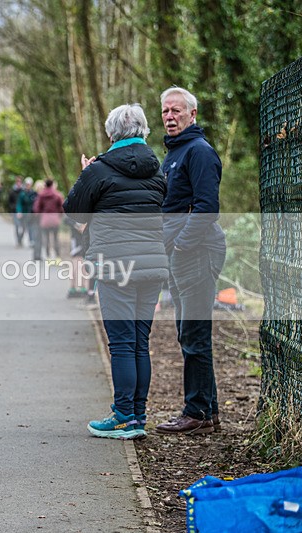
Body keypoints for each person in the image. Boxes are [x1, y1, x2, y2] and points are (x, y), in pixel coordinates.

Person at [65, 104, 168, 439]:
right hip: (152, 265)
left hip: (115, 267)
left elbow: (74, 212)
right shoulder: (158, 170)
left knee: (122, 343)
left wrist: (85, 172)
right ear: (144, 132)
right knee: (140, 341)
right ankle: (137, 415)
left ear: (111, 134)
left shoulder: (98, 170)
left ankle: (123, 414)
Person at [155, 87, 227, 436]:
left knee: (194, 333)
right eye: (166, 111)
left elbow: (206, 207)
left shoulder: (198, 151)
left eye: (177, 111)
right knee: (189, 331)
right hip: (180, 253)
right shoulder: (174, 153)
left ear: (192, 114)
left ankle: (195, 410)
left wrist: (182, 245)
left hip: (197, 252)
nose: (170, 116)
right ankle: (207, 411)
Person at [34, 179, 64, 258]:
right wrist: (60, 216)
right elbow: (62, 208)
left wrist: (39, 216)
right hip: (55, 218)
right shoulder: (57, 195)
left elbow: (37, 208)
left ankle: (48, 256)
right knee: (55, 238)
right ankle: (57, 256)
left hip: (45, 219)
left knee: (46, 238)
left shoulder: (41, 195)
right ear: (52, 184)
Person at [8, 176, 24, 246]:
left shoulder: (24, 191)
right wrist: (13, 208)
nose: (18, 183)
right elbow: (9, 201)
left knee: (24, 227)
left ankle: (21, 239)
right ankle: (18, 241)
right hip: (15, 211)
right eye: (17, 181)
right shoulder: (12, 191)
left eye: (20, 181)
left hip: (23, 212)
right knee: (17, 226)